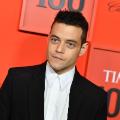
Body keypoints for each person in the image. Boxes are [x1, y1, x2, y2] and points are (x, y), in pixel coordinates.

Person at [0, 10, 107, 120]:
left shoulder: (96, 98)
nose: (59, 49)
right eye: (55, 40)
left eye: (70, 44)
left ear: (82, 49)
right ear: (48, 39)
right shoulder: (17, 80)